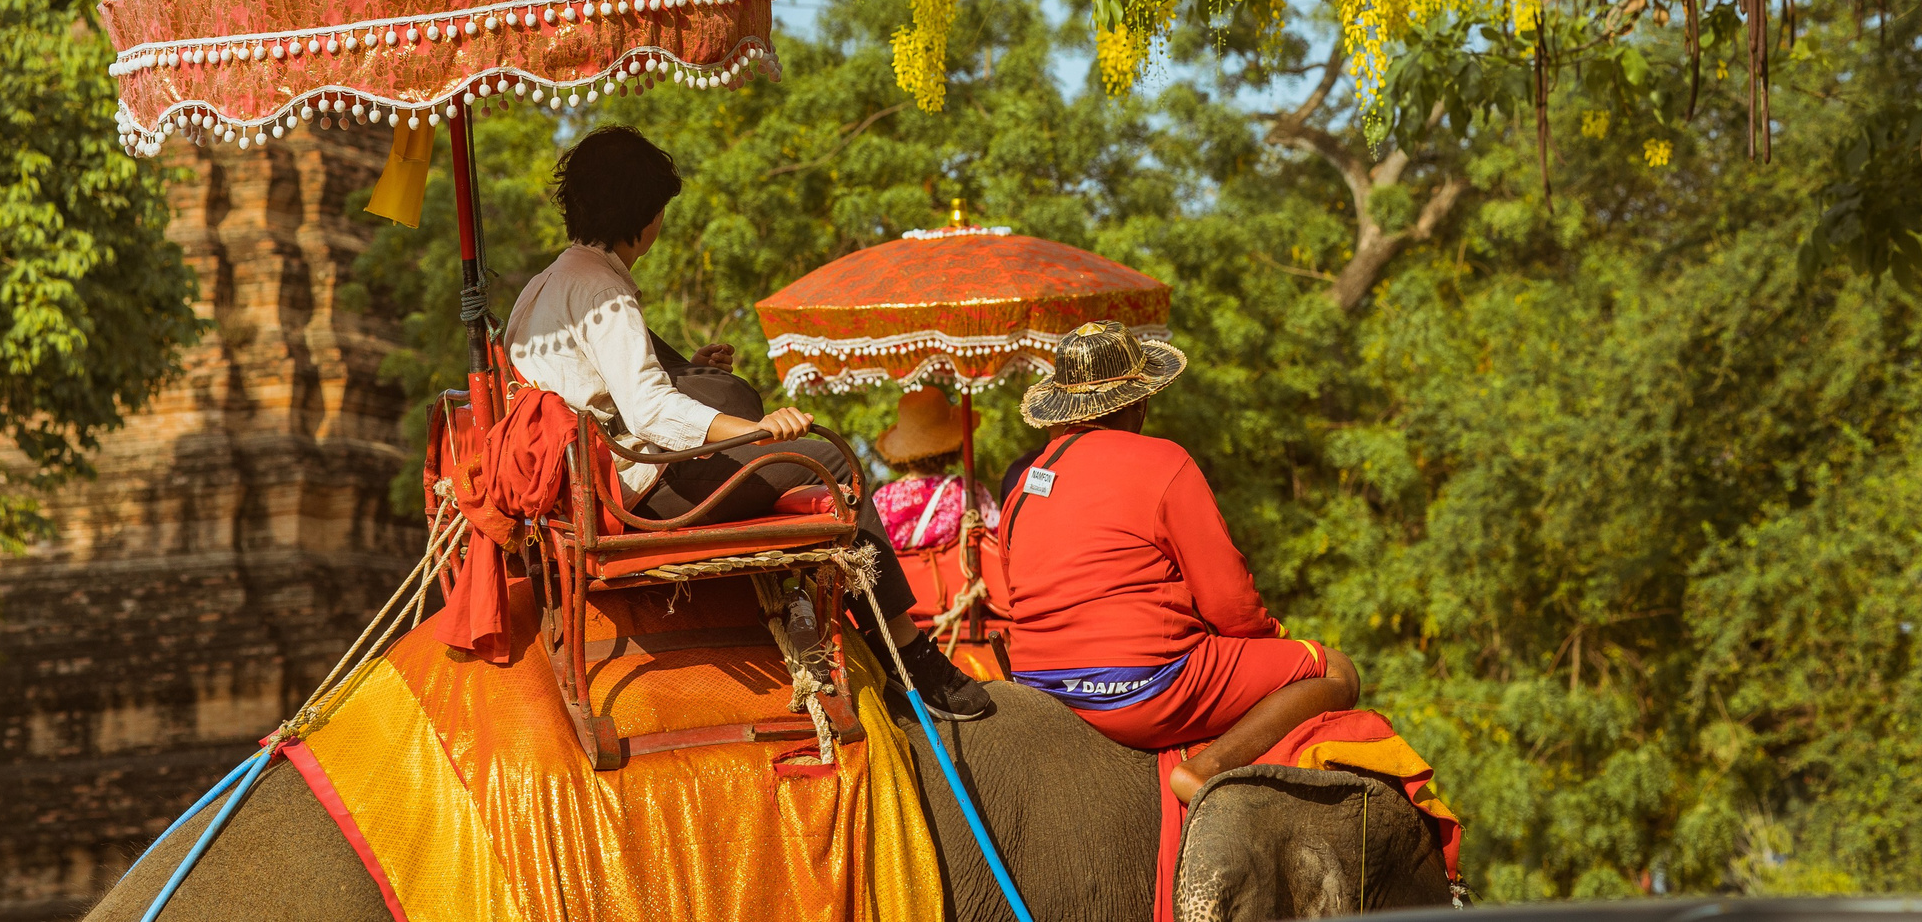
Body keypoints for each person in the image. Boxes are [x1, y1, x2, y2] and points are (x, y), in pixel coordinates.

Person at [503, 125, 993, 720]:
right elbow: (649, 411)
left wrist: (692, 369)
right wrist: (757, 431)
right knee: (831, 461)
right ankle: (908, 654)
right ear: (643, 214)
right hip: (627, 493)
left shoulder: (542, 285)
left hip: (576, 490)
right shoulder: (603, 291)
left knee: (749, 413)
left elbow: (596, 382)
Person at [999, 321, 1359, 804]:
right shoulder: (1165, 461)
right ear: (1139, 402)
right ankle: (1206, 768)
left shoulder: (1026, 483)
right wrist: (1279, 643)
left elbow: (1014, 593)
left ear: (1064, 409)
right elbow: (1232, 608)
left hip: (1039, 686)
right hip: (1144, 688)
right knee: (1335, 669)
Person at [872, 387, 1000, 553]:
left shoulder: (882, 498)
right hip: (956, 570)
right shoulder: (966, 490)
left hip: (897, 571)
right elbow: (997, 539)